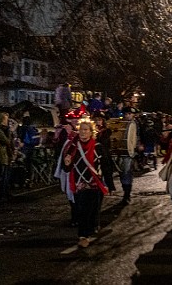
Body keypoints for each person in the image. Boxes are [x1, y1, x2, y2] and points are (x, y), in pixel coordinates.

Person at [62, 117, 108, 248]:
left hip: (94, 184)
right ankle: (83, 236)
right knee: (82, 210)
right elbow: (67, 168)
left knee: (92, 210)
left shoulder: (98, 147)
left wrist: (108, 184)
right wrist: (66, 164)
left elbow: (106, 166)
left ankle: (89, 230)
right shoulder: (73, 147)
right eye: (81, 130)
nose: (83, 132)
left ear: (91, 132)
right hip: (79, 184)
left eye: (86, 130)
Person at [116, 106, 139, 205]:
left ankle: (127, 195)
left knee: (126, 173)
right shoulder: (120, 124)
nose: (127, 116)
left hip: (129, 153)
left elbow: (138, 137)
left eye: (129, 114)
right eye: (126, 114)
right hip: (120, 151)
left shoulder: (136, 124)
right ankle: (125, 192)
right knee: (122, 174)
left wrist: (138, 146)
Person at [93, 112, 116, 193]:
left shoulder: (106, 130)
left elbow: (104, 141)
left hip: (104, 153)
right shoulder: (91, 129)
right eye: (96, 120)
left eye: (99, 120)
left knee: (107, 171)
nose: (98, 121)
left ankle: (111, 187)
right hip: (94, 153)